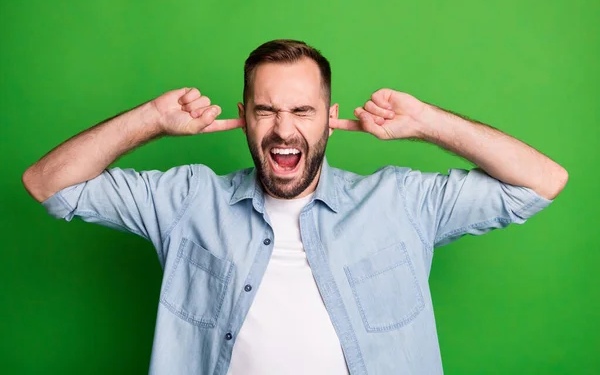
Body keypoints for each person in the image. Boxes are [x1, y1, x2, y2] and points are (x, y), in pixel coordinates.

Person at [22, 39, 568, 375]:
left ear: (329, 116)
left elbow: (541, 181)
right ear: (244, 114)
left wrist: (428, 124)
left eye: (302, 110)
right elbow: (48, 184)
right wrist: (149, 120)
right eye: (266, 110)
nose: (284, 130)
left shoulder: (401, 202)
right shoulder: (186, 201)